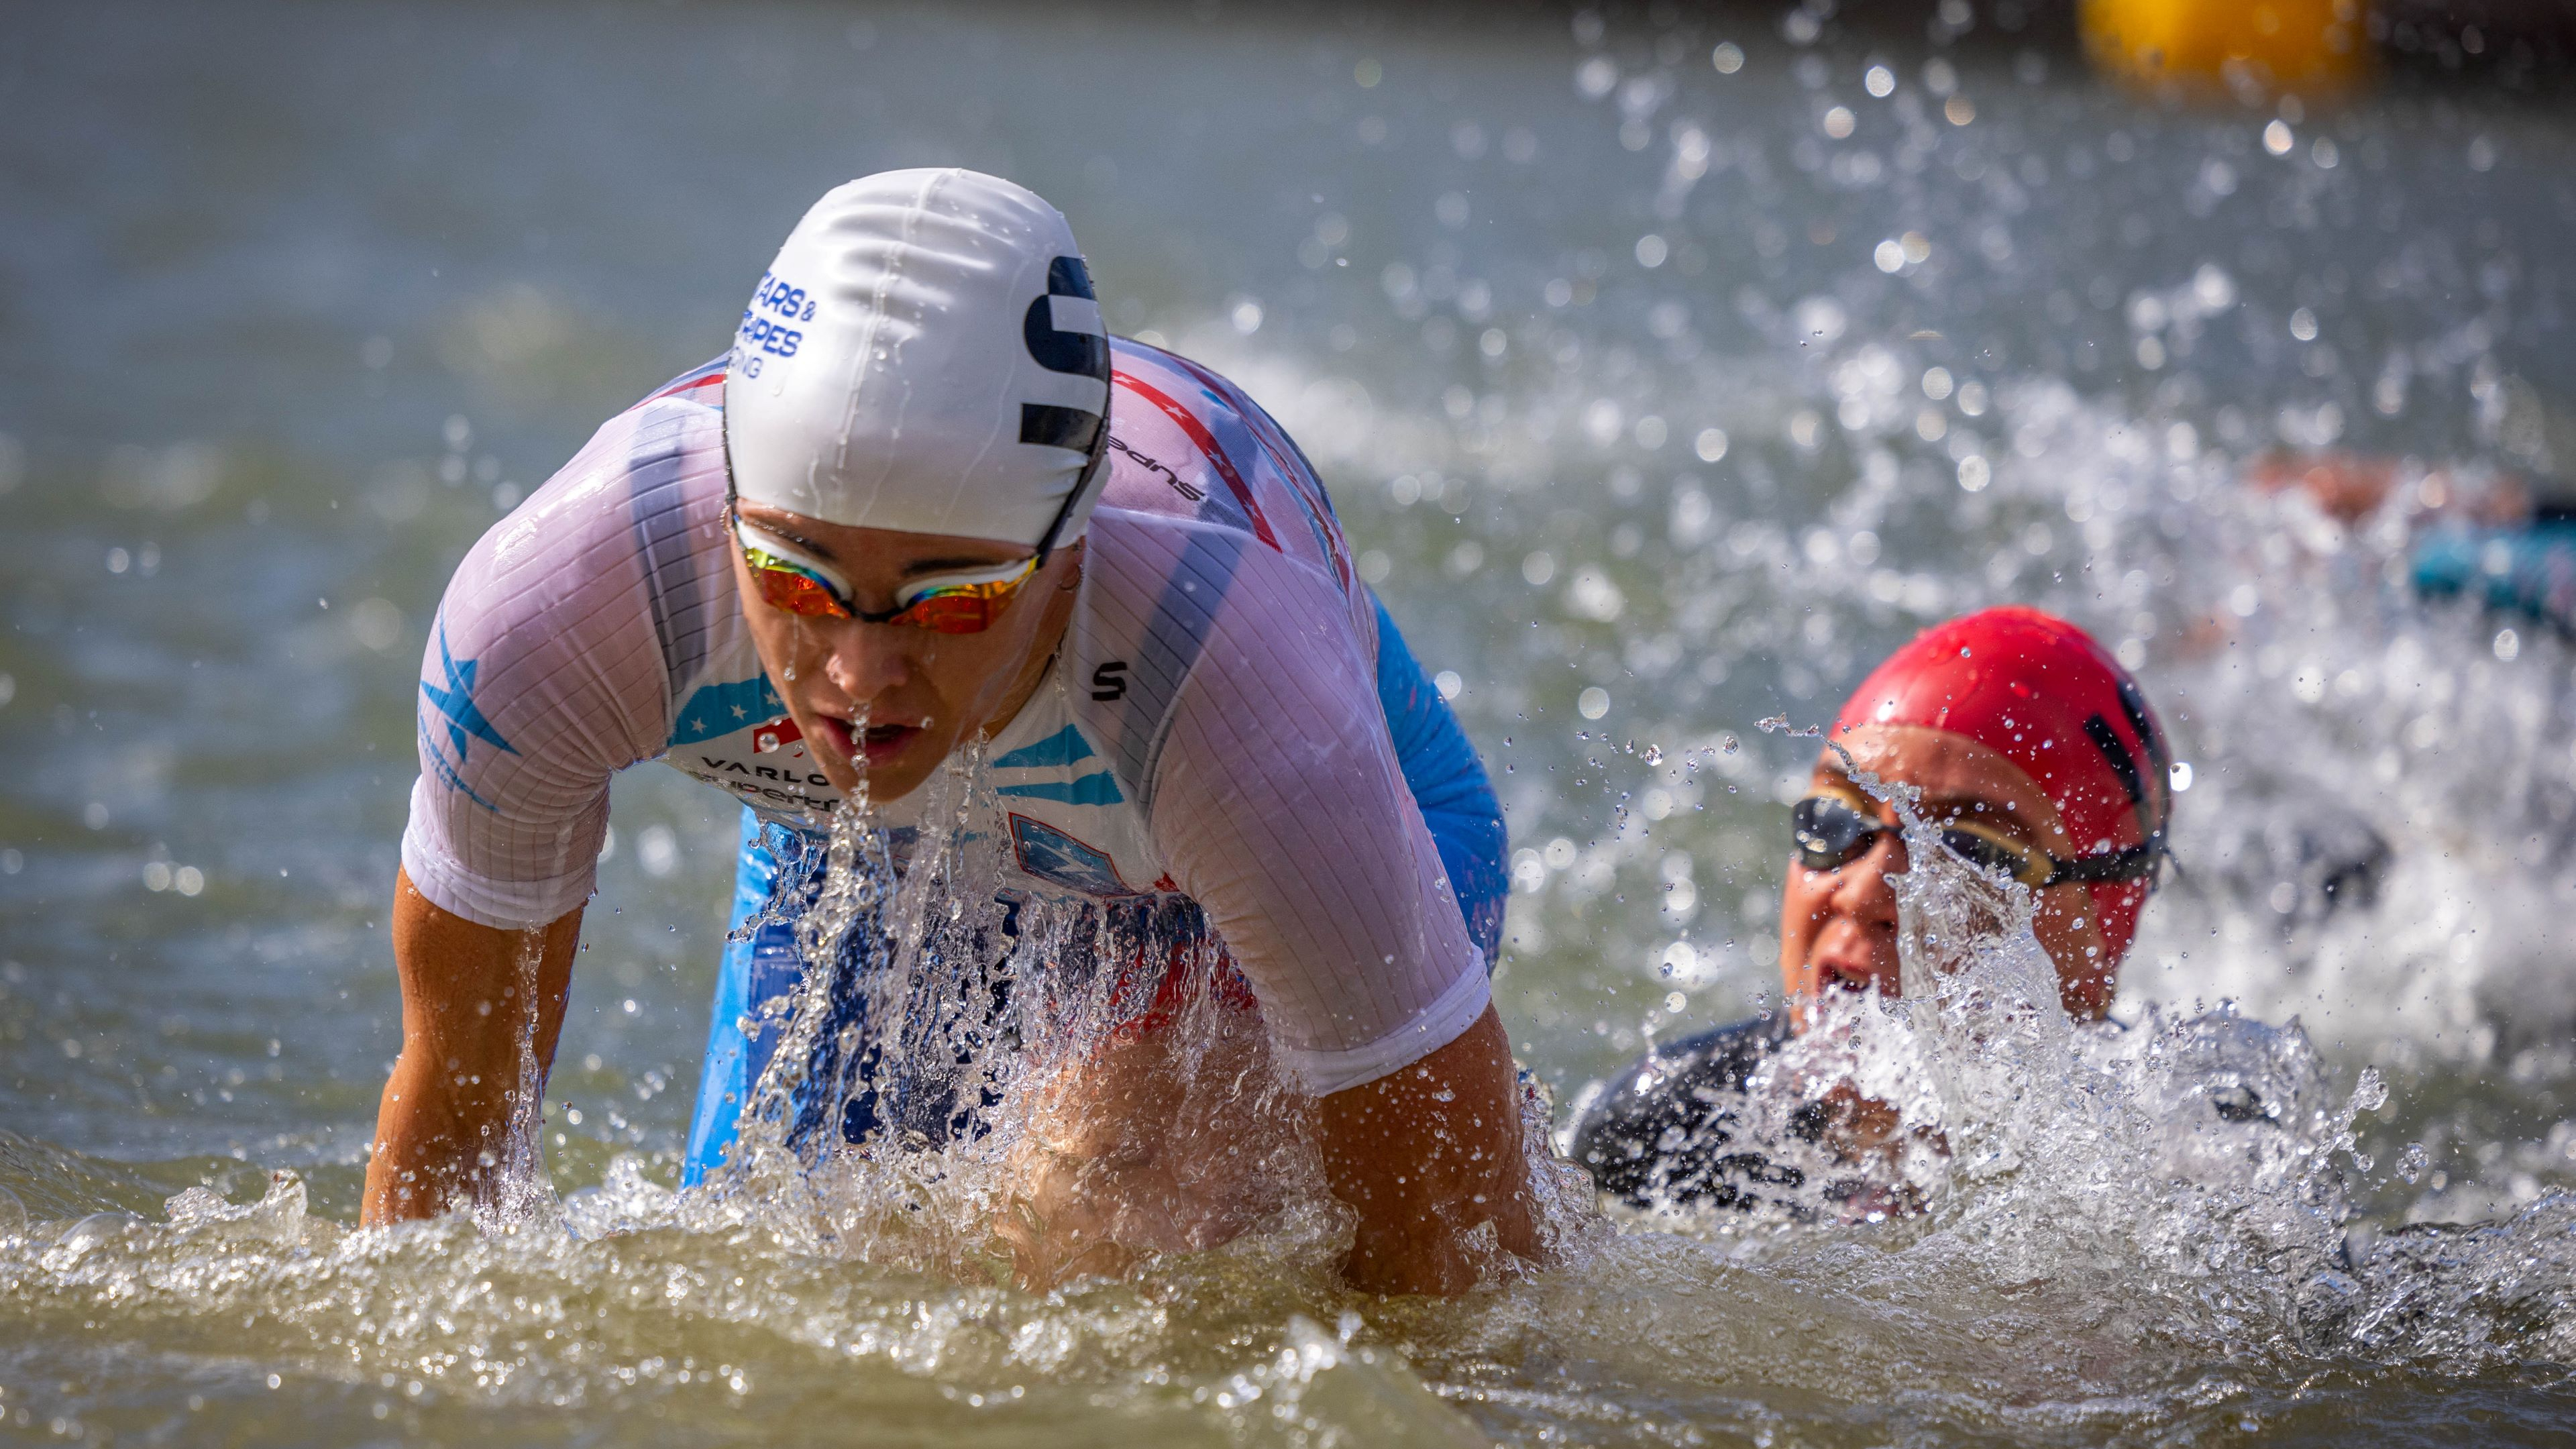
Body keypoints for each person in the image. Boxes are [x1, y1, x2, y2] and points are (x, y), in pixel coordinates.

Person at [364, 170, 1535, 1295]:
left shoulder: (1233, 685)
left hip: (1253, 862)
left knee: (1117, 1228)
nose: (860, 674)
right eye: (796, 575)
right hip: (865, 843)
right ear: (729, 520)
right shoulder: (567, 606)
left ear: (1071, 554)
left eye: (952, 597)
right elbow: (457, 1137)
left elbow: (1458, 1283)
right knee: (777, 1301)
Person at [1570, 606, 2175, 1210]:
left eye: (1968, 854)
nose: (1863, 895)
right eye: (1833, 822)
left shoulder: (2189, 1177)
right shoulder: (1662, 1138)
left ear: (2101, 936)